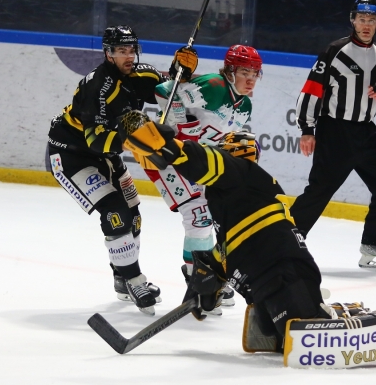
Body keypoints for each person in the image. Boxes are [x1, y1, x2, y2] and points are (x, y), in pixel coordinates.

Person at [118, 112, 328, 350]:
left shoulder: (239, 171)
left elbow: (203, 160)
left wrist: (169, 147)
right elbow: (231, 243)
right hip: (263, 274)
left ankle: (325, 324)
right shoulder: (235, 195)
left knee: (300, 328)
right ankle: (313, 321)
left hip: (281, 268)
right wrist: (209, 278)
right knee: (276, 331)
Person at [46, 26, 164, 315]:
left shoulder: (141, 73)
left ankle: (121, 277)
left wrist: (182, 73)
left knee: (133, 215)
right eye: (121, 50)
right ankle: (134, 279)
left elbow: (169, 88)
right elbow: (97, 140)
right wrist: (137, 140)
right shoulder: (99, 86)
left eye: (131, 49)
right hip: (71, 155)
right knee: (115, 212)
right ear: (108, 53)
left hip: (106, 155)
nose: (128, 56)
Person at [140, 44, 263, 311]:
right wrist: (180, 125)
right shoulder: (215, 87)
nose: (251, 78)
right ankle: (197, 281)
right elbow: (163, 90)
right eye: (245, 71)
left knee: (212, 216)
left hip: (197, 163)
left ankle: (207, 277)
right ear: (230, 71)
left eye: (256, 72)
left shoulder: (246, 105)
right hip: (167, 160)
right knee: (198, 216)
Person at [292, 0, 376, 269]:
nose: (366, 25)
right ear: (353, 21)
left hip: (365, 133)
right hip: (335, 131)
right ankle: (282, 240)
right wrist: (307, 129)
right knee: (320, 190)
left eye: (371, 21)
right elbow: (311, 90)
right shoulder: (335, 50)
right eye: (362, 20)